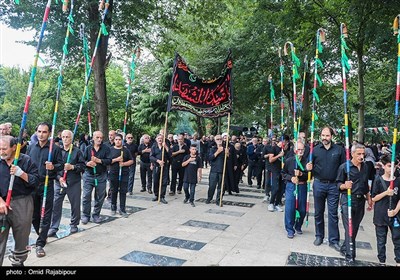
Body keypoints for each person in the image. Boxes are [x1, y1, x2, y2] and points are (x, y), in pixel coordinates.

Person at [0, 136, 39, 266]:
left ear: (14, 147)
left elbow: (35, 181)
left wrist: (21, 174)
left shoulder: (25, 160)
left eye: (4, 148)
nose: (1, 151)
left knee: (22, 237)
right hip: (1, 202)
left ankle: (18, 263)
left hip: (22, 202)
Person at [26, 122, 64, 258]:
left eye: (44, 132)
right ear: (36, 132)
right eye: (39, 131)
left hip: (47, 184)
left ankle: (40, 243)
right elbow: (26, 164)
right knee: (34, 216)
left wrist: (53, 167)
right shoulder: (31, 147)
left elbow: (61, 165)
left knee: (46, 215)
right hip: (32, 185)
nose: (41, 134)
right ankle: (41, 234)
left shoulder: (54, 148)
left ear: (49, 133)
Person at [306, 126, 345, 251]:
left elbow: (344, 167)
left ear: (332, 136)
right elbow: (308, 167)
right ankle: (319, 236)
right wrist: (308, 167)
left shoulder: (339, 150)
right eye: (323, 135)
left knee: (333, 214)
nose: (324, 138)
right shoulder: (315, 150)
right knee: (318, 212)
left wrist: (342, 183)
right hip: (318, 184)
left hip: (334, 186)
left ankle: (333, 240)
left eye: (327, 135)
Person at [336, 143, 373, 264]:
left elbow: (365, 184)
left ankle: (344, 247)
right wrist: (344, 185)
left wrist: (369, 198)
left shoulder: (366, 166)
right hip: (348, 200)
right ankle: (350, 255)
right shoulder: (344, 167)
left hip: (360, 200)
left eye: (363, 154)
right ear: (352, 154)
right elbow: (337, 185)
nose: (362, 156)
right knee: (350, 228)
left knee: (355, 228)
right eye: (359, 154)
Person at [48, 130, 85, 237]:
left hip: (73, 182)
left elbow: (82, 166)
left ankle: (74, 224)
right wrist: (59, 178)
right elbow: (53, 168)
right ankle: (54, 226)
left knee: (75, 204)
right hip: (59, 181)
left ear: (71, 138)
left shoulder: (77, 151)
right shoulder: (57, 151)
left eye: (67, 137)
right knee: (56, 204)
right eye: (63, 137)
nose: (65, 139)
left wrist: (72, 167)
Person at [371, 154, 400, 265]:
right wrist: (386, 193)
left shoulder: (398, 180)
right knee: (381, 240)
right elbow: (374, 197)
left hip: (395, 215)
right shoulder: (378, 179)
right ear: (383, 166)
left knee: (397, 240)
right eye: (389, 166)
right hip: (380, 214)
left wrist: (395, 211)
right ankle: (381, 261)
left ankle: (398, 261)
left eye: (394, 166)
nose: (392, 169)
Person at [81, 131, 112, 224]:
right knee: (86, 196)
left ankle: (96, 214)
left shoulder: (106, 148)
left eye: (101, 138)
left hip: (101, 176)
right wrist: (88, 163)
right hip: (89, 175)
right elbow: (82, 160)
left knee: (100, 197)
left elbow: (109, 160)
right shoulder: (88, 148)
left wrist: (99, 160)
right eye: (97, 137)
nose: (99, 139)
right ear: (93, 138)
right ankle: (85, 215)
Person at [282, 140, 308, 238]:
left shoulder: (307, 162)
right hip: (291, 186)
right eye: (298, 149)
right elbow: (283, 173)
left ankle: (298, 225)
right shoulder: (289, 160)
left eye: (302, 149)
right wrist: (291, 178)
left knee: (302, 209)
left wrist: (302, 174)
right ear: (294, 150)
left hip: (302, 186)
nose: (300, 151)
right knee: (290, 208)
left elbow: (310, 175)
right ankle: (289, 229)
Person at [109, 133, 133, 217]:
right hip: (113, 173)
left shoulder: (125, 150)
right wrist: (116, 160)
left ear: (122, 141)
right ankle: (113, 207)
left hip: (124, 174)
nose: (118, 141)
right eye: (116, 139)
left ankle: (122, 209)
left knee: (123, 191)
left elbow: (131, 161)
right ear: (114, 140)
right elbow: (108, 161)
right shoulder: (110, 150)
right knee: (113, 190)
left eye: (119, 140)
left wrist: (124, 163)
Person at [206, 135, 227, 206]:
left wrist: (227, 154)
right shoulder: (213, 149)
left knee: (221, 187)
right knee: (212, 186)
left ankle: (218, 200)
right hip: (214, 170)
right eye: (217, 139)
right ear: (215, 140)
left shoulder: (225, 148)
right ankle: (209, 198)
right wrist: (218, 152)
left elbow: (229, 160)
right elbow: (210, 158)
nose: (219, 140)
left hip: (222, 170)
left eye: (220, 139)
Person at [150, 134, 171, 204]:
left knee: (164, 182)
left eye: (161, 138)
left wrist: (166, 147)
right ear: (156, 139)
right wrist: (158, 161)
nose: (160, 139)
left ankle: (162, 196)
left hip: (164, 167)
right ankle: (156, 195)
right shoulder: (154, 147)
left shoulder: (165, 147)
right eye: (158, 138)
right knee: (156, 181)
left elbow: (170, 155)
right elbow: (151, 157)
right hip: (156, 166)